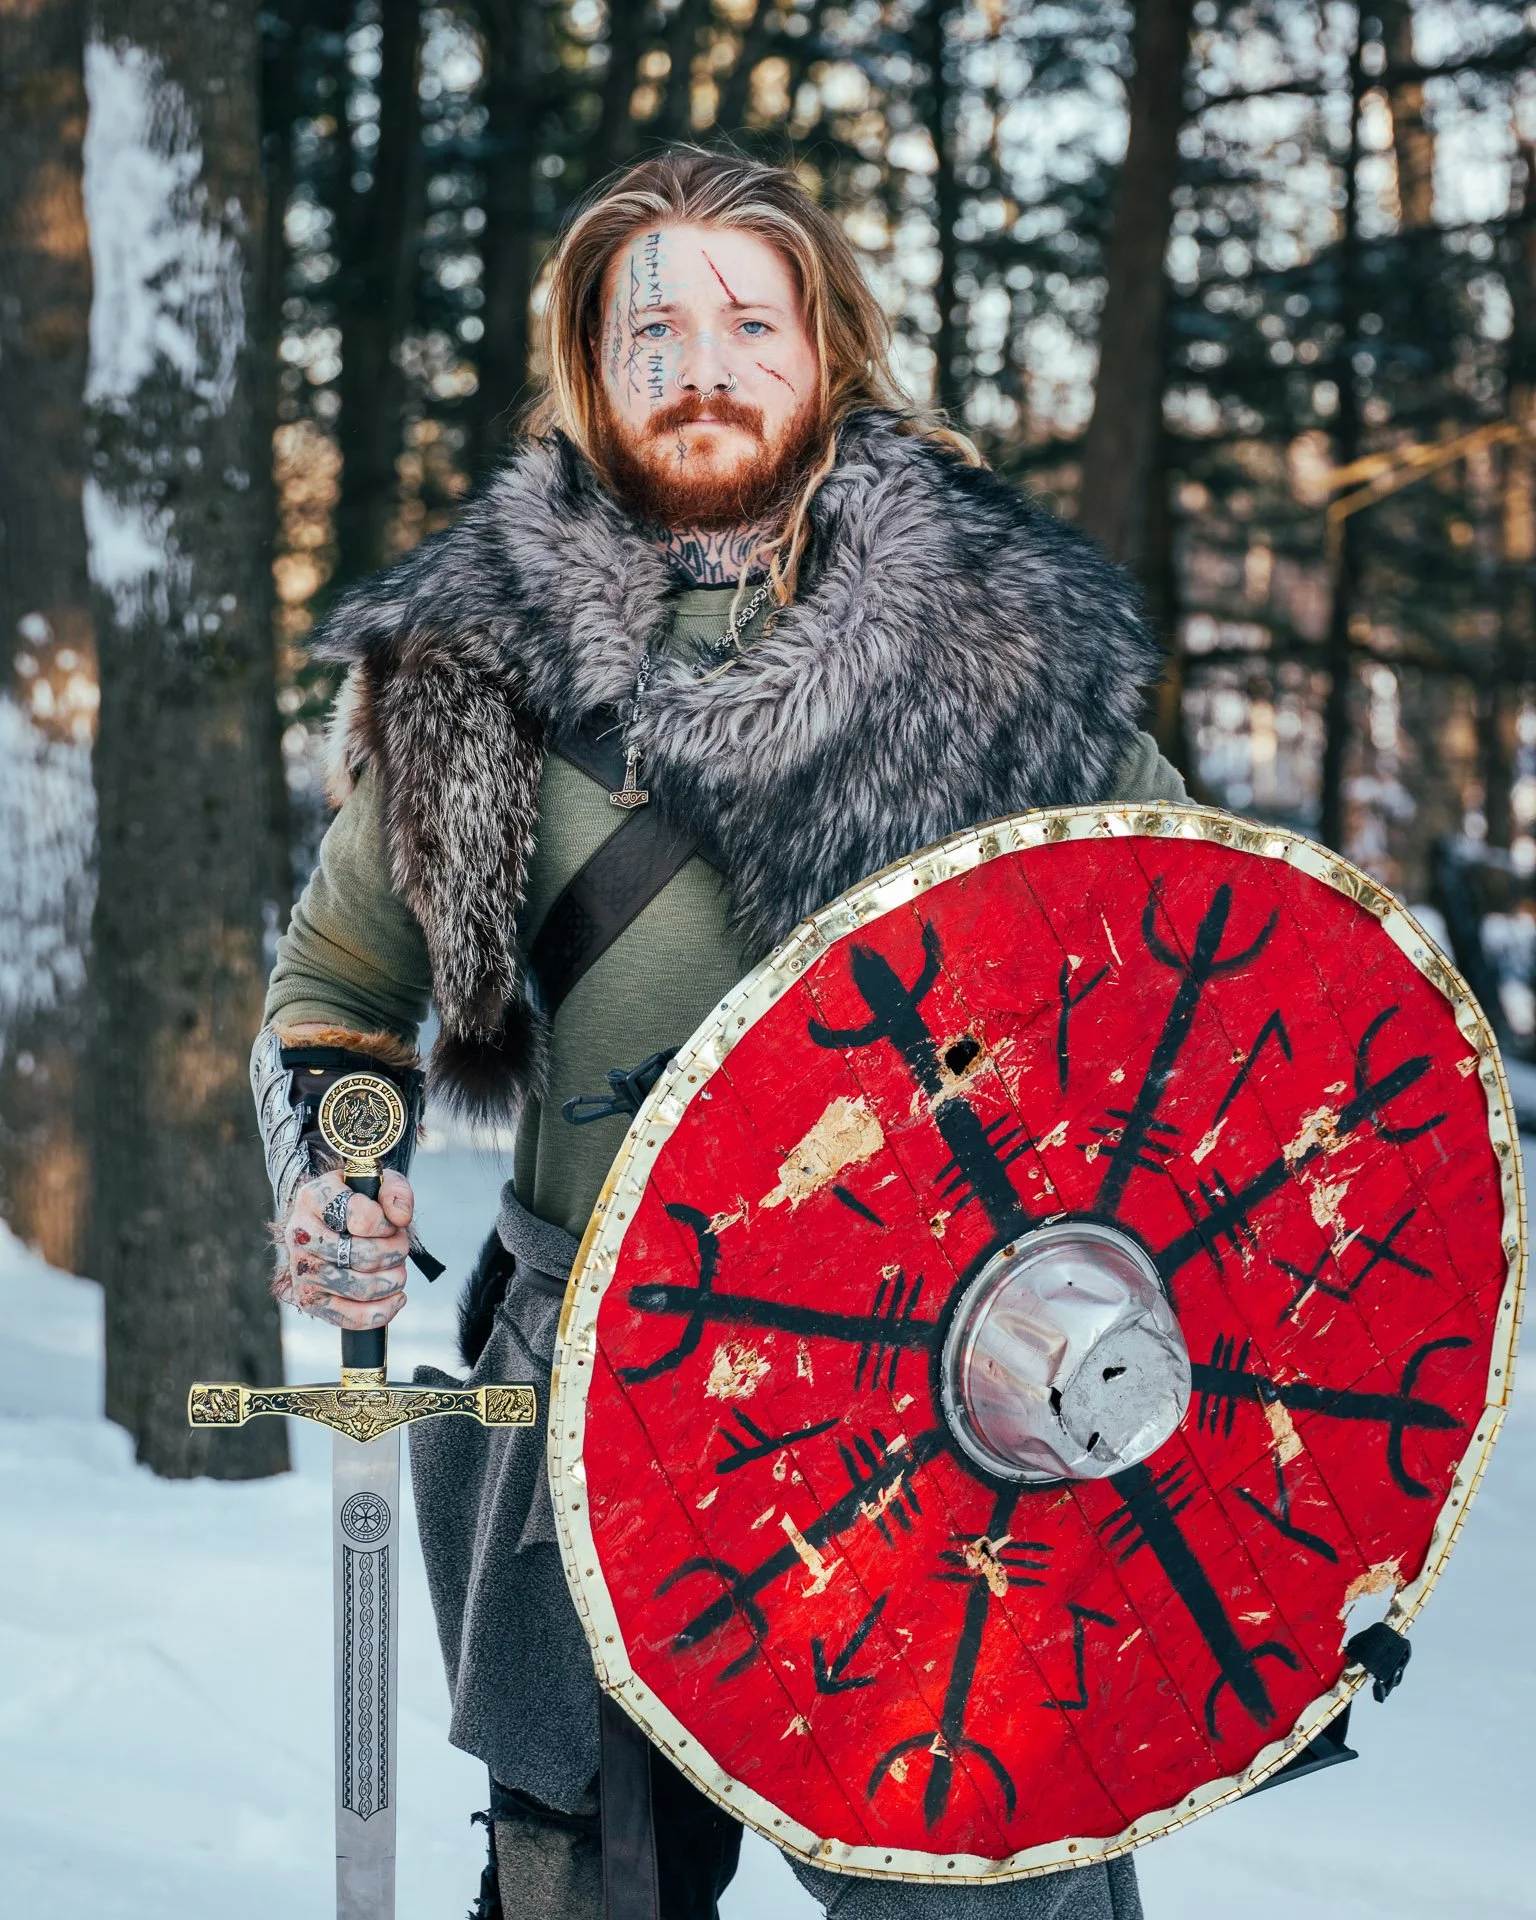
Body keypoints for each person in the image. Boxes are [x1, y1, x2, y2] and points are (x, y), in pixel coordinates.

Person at [254, 147, 1179, 1920]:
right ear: (591, 368)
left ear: (827, 347)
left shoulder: (1000, 649)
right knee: (589, 1894)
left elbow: (1188, 970)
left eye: (753, 321)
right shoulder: (470, 666)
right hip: (593, 1403)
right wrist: (342, 1173)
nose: (703, 366)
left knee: (976, 1894)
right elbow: (340, 987)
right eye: (653, 329)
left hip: (942, 1411)